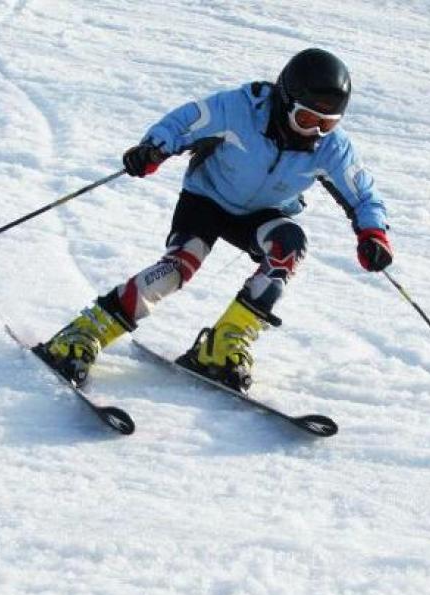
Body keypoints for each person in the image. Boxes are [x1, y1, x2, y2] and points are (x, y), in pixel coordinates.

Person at [36, 48, 393, 391]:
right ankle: (83, 334)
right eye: (306, 119)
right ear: (285, 100)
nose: (314, 131)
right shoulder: (241, 108)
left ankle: (223, 344)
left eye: (327, 124)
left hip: (261, 215)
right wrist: (153, 149)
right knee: (178, 267)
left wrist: (373, 234)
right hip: (206, 199)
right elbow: (185, 121)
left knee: (289, 246)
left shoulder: (332, 148)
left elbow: (363, 195)